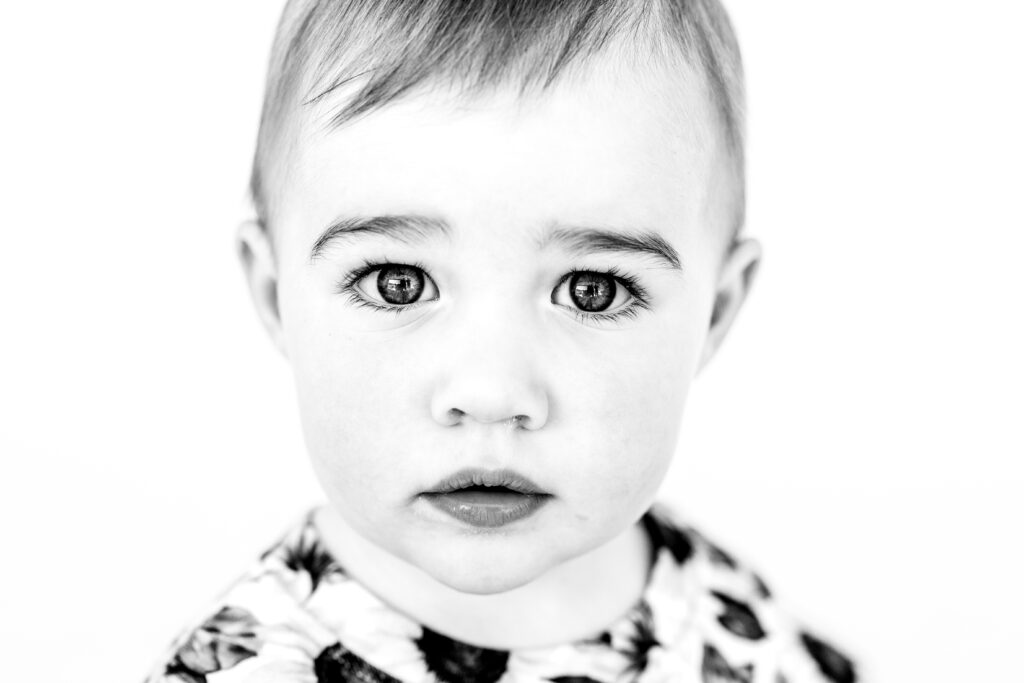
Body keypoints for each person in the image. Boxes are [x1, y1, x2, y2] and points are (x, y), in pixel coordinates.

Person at [146, 1, 856, 681]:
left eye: (592, 290)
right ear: (276, 295)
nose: (491, 392)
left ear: (716, 312)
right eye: (398, 282)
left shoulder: (729, 611)